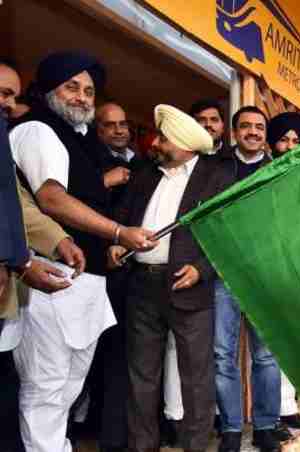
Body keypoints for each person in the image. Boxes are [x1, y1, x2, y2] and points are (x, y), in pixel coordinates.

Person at [8, 51, 156, 452]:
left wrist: (109, 244)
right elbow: (51, 199)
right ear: (49, 89)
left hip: (83, 281)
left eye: (89, 90)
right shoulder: (37, 130)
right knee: (47, 389)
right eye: (72, 86)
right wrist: (119, 232)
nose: (82, 97)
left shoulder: (79, 141)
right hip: (48, 276)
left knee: (69, 388)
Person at [108, 104, 233, 452]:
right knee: (141, 376)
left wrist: (202, 269)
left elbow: (229, 235)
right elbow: (123, 214)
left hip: (188, 285)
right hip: (142, 285)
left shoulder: (217, 176)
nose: (156, 143)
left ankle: (195, 447)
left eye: (164, 138)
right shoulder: (146, 171)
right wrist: (118, 241)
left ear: (183, 144)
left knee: (196, 379)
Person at [0, 57, 86, 452]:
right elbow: (46, 199)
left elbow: (14, 203)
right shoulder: (34, 131)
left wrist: (53, 239)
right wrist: (21, 262)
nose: (8, 104)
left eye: (12, 96)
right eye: (2, 93)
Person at [215, 106, 284, 452]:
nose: (253, 132)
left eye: (259, 127)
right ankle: (230, 429)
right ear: (234, 132)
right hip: (222, 272)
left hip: (262, 275)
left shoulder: (279, 171)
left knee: (266, 355)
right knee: (222, 354)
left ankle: (265, 427)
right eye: (246, 127)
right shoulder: (215, 168)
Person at [88, 101, 151, 451]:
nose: (119, 130)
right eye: (110, 125)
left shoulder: (142, 163)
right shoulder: (88, 159)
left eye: (124, 124)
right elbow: (64, 202)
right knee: (107, 357)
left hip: (138, 275)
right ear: (97, 129)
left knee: (134, 357)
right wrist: (104, 182)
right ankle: (107, 437)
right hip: (101, 268)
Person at [265, 112, 300, 431]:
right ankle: (270, 415)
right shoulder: (263, 175)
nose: (289, 146)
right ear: (273, 143)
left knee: (296, 343)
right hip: (271, 268)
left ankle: (288, 407)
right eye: (283, 140)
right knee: (269, 347)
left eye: (296, 140)